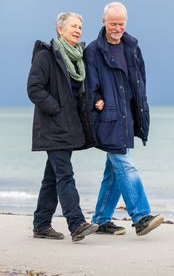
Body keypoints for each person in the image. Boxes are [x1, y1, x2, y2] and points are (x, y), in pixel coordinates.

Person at [84, 2, 164, 236]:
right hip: (107, 117)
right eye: (113, 23)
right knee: (125, 164)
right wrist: (97, 99)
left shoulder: (132, 47)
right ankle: (140, 217)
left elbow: (140, 80)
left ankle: (101, 219)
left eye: (121, 23)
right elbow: (89, 85)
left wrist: (142, 108)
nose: (117, 28)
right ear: (103, 23)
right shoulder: (93, 51)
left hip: (129, 116)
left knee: (114, 169)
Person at [27, 12, 98, 243]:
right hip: (53, 127)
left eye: (80, 26)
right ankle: (76, 224)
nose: (78, 30)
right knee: (65, 175)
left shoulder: (79, 59)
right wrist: (57, 110)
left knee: (52, 177)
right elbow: (34, 88)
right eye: (73, 26)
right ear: (60, 29)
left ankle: (41, 224)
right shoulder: (46, 56)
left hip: (69, 127)